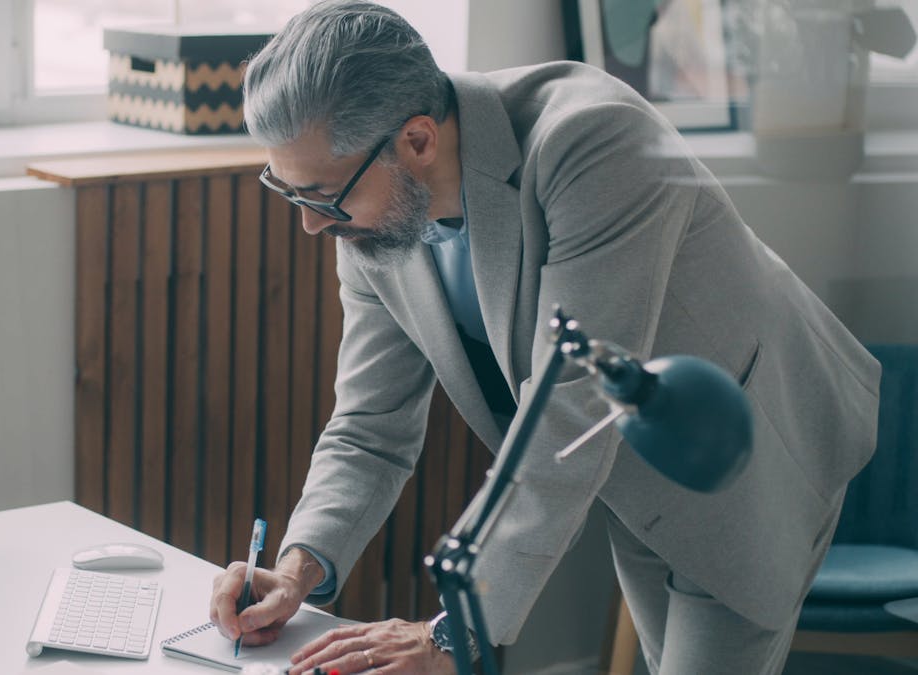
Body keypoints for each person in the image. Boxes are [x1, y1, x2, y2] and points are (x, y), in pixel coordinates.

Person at [208, 2, 881, 674]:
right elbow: (369, 426)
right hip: (633, 466)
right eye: (291, 195)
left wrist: (451, 633)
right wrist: (298, 567)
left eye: (321, 200)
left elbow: (569, 406)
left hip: (743, 447)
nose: (312, 227)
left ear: (417, 140)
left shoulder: (594, 141)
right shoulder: (371, 209)